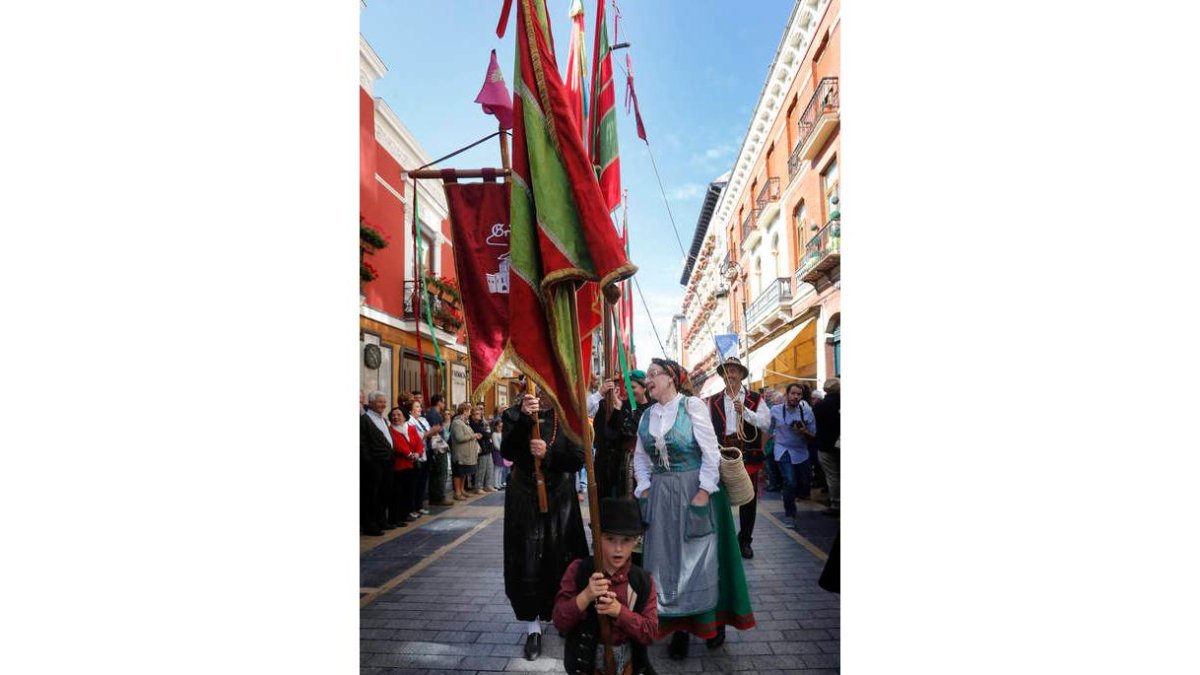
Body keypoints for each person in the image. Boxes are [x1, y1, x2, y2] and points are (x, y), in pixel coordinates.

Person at [635, 358, 755, 661]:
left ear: (671, 378)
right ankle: (677, 627)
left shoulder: (692, 407)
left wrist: (703, 493)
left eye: (653, 375)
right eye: (647, 376)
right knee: (666, 562)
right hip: (661, 496)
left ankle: (709, 623)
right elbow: (640, 457)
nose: (647, 380)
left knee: (701, 561)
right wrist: (645, 488)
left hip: (695, 492)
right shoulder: (647, 415)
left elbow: (710, 453)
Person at [501, 384, 589, 661]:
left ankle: (565, 615)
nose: (543, 394)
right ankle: (532, 627)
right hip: (524, 498)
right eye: (540, 388)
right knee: (527, 560)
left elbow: (577, 459)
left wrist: (547, 455)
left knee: (562, 557)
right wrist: (525, 419)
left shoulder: (570, 418)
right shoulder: (516, 414)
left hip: (560, 498)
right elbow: (509, 450)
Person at [554, 497, 659, 675]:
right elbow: (560, 620)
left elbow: (650, 633)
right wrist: (585, 596)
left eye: (626, 540)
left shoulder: (642, 581)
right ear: (597, 537)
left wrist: (620, 611)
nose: (618, 548)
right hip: (586, 667)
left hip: (629, 667)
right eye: (610, 539)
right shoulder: (578, 570)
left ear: (636, 541)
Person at [705, 356, 770, 560]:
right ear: (723, 376)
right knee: (719, 497)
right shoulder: (713, 400)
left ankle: (745, 541)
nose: (730, 374)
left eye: (734, 371)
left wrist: (747, 412)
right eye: (727, 371)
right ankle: (724, 541)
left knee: (748, 499)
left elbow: (766, 423)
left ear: (742, 374)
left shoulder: (755, 398)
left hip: (748, 454)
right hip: (722, 454)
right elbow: (706, 428)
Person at [592, 371, 649, 500]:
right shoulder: (623, 406)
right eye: (627, 388)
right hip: (625, 466)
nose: (629, 391)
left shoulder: (653, 407)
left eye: (633, 387)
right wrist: (617, 409)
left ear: (644, 387)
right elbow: (612, 434)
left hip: (648, 464)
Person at [768, 383, 817, 522]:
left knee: (803, 482)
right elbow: (768, 430)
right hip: (782, 449)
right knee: (789, 481)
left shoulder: (807, 412)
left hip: (801, 452)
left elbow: (813, 435)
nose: (795, 397)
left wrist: (804, 431)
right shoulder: (775, 410)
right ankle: (790, 512)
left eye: (798, 394)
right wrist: (762, 449)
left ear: (802, 396)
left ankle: (790, 496)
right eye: (793, 393)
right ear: (787, 395)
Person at [360, 391, 394, 536]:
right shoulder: (365, 420)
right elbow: (362, 443)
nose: (383, 404)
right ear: (371, 403)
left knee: (383, 494)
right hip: (374, 464)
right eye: (380, 402)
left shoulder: (383, 419)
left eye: (384, 402)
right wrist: (368, 461)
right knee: (371, 495)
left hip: (387, 462)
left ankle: (381, 520)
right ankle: (370, 524)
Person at [387, 404, 423, 527]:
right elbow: (396, 445)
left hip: (412, 465)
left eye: (398, 415)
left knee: (409, 492)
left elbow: (419, 442)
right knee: (396, 494)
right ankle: (394, 518)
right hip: (399, 466)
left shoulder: (411, 428)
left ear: (404, 416)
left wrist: (418, 453)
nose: (396, 417)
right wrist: (408, 454)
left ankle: (404, 515)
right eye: (393, 415)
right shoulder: (390, 430)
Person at [812, 378, 841, 515]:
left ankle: (836, 503)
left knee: (832, 476)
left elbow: (816, 426)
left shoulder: (820, 406)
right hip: (838, 443)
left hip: (825, 445)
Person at [424, 394, 453, 506]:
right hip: (437, 447)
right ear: (439, 402)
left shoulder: (432, 413)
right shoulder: (434, 414)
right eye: (443, 402)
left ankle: (435, 497)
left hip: (436, 445)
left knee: (437, 473)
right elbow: (435, 431)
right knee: (441, 471)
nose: (444, 404)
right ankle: (439, 496)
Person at [449, 403, 481, 500]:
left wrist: (474, 435)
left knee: (464, 473)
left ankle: (462, 490)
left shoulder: (464, 422)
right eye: (469, 411)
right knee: (458, 473)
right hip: (460, 453)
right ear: (464, 411)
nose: (470, 413)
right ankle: (457, 492)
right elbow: (459, 438)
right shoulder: (457, 423)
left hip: (466, 453)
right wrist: (473, 436)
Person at [408, 398, 433, 514]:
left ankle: (419, 505)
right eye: (417, 407)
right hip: (415, 455)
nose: (420, 409)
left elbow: (427, 432)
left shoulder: (422, 420)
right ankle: (412, 507)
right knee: (414, 483)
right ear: (411, 409)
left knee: (423, 481)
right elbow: (419, 436)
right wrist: (430, 432)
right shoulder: (409, 421)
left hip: (425, 452)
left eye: (420, 407)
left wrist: (429, 432)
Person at [760, 388, 784, 492]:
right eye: (767, 394)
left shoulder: (771, 409)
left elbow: (768, 426)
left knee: (771, 464)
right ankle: (777, 483)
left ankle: (774, 484)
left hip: (772, 441)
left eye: (771, 395)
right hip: (775, 441)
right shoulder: (771, 408)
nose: (768, 396)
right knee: (773, 464)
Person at [471, 404, 498, 492]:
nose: (480, 415)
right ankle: (478, 486)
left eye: (480, 413)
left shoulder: (482, 422)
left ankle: (488, 485)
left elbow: (488, 432)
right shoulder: (473, 424)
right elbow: (485, 433)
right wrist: (486, 433)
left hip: (488, 447)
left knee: (489, 467)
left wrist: (486, 433)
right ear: (473, 415)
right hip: (481, 449)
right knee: (481, 469)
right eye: (477, 413)